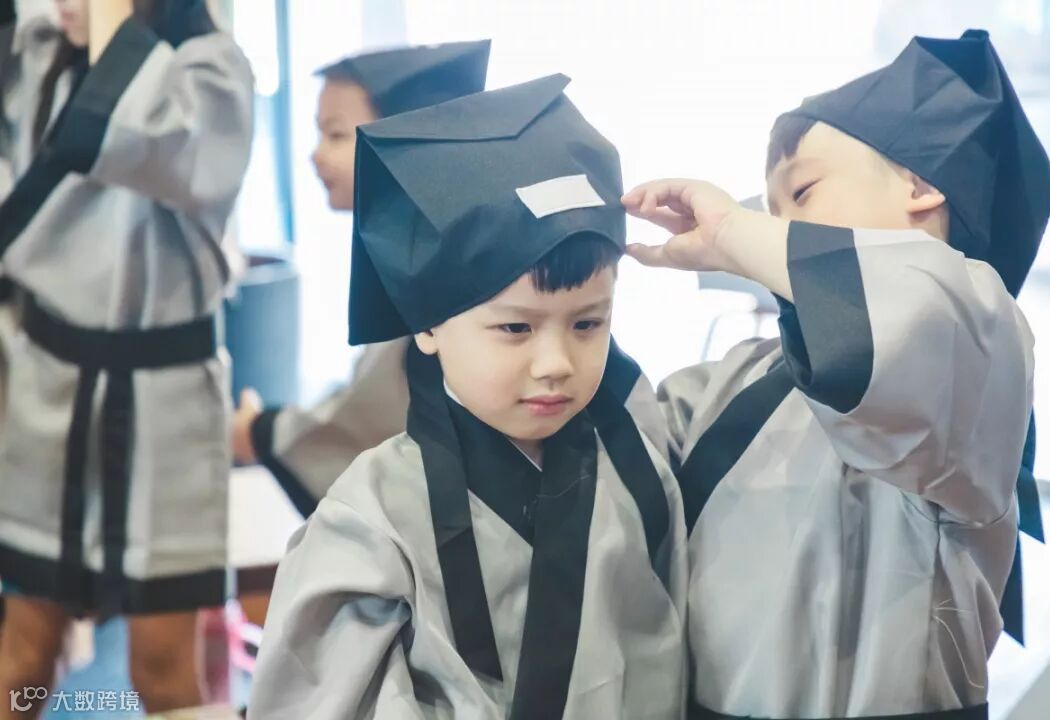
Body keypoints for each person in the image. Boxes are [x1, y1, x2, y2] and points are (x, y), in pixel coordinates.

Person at [622, 29, 1050, 720]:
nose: (778, 230)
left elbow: (913, 310)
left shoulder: (977, 337)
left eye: (802, 191)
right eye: (772, 213)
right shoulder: (737, 376)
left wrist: (732, 233)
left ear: (919, 185)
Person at [247, 74, 687, 719]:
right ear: (426, 325)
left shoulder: (640, 464)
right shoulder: (372, 517)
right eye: (516, 328)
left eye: (588, 323)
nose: (556, 364)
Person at [0, 0, 253, 714]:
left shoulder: (213, 72)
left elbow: (138, 135)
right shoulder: (38, 54)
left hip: (164, 402)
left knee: (163, 669)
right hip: (47, 383)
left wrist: (113, 33)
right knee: (25, 654)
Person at [232, 40, 491, 519]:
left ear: (403, 143)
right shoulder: (420, 243)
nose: (315, 156)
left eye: (335, 135)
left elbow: (370, 419)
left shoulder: (439, 262)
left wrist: (260, 432)